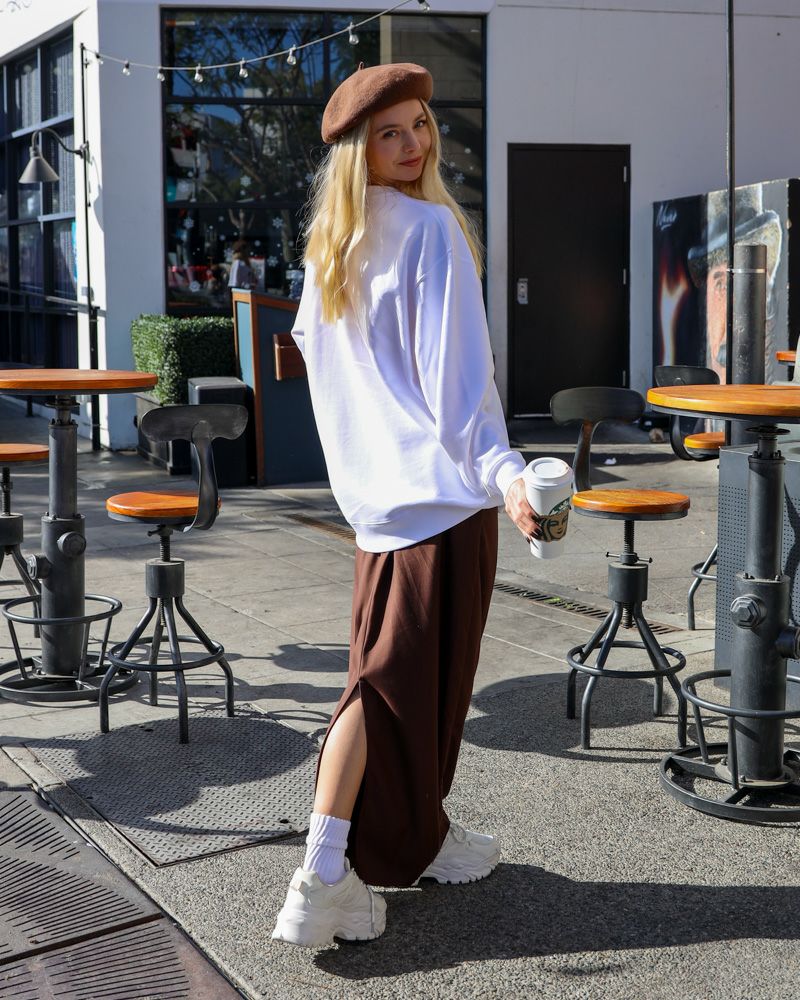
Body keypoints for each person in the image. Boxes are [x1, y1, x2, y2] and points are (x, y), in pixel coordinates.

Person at [272, 62, 541, 950]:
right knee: (387, 691)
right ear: (359, 149)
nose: (414, 143)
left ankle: (425, 836)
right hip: (440, 508)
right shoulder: (431, 232)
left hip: (379, 513)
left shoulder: (328, 254)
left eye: (421, 123)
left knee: (401, 688)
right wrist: (506, 475)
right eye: (390, 132)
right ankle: (323, 875)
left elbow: (336, 389)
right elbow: (459, 388)